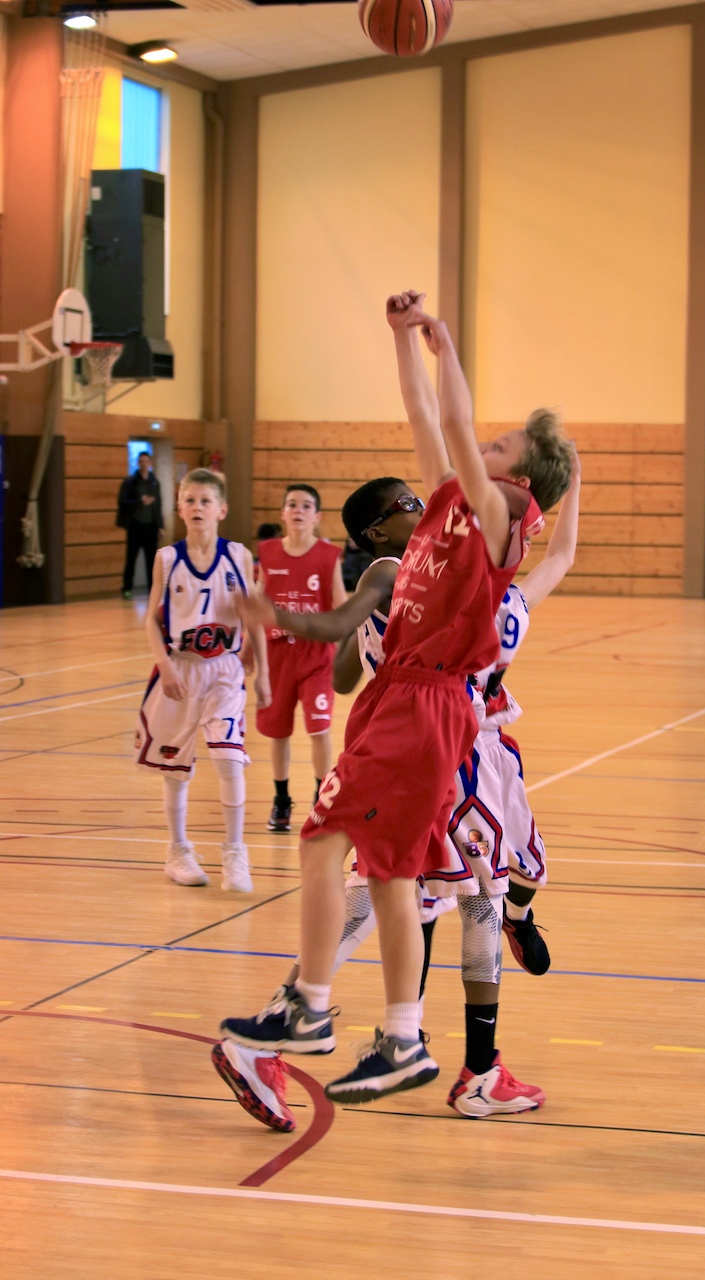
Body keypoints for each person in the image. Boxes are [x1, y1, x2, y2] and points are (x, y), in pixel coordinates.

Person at [217, 289, 573, 1111]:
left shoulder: (495, 521)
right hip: (408, 706)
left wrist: (444, 348)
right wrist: (401, 342)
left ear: (518, 482)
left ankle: (310, 1009)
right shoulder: (446, 509)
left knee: (329, 845)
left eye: (500, 445)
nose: (481, 444)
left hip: (428, 705)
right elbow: (425, 418)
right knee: (391, 874)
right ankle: (404, 1039)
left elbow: (452, 422)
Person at [211, 473, 424, 1129]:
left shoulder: (427, 566)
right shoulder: (397, 570)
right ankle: (311, 1025)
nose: (422, 507)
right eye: (408, 503)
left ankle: (375, 1030)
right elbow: (342, 647)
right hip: (418, 733)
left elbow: (342, 665)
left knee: (400, 889)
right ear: (378, 530)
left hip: (434, 735)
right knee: (385, 886)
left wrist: (359, 639)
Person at [134, 467, 270, 893]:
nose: (197, 507)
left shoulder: (239, 556)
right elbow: (151, 620)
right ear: (179, 508)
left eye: (205, 501)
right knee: (175, 769)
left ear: (221, 510)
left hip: (225, 671)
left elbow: (254, 616)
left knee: (229, 759)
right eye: (189, 500)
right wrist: (164, 663)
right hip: (180, 668)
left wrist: (263, 671)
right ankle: (178, 851)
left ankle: (235, 853)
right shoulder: (167, 558)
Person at [256, 485, 347, 833]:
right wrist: (249, 651)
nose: (298, 510)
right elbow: (259, 606)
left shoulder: (328, 555)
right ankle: (281, 799)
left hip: (316, 654)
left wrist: (348, 649)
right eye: (292, 504)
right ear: (282, 513)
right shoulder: (268, 553)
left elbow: (341, 606)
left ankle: (320, 798)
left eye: (306, 505)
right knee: (278, 732)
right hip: (277, 655)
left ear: (317, 516)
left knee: (319, 729)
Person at [117, 451, 163, 599]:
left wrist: (160, 526)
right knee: (131, 558)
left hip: (150, 526)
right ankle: (127, 588)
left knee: (152, 560)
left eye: (146, 461)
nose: (144, 464)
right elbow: (122, 502)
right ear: (138, 463)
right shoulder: (130, 482)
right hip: (135, 526)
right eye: (141, 461)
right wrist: (139, 501)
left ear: (150, 463)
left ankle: (152, 589)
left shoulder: (154, 483)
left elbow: (158, 506)